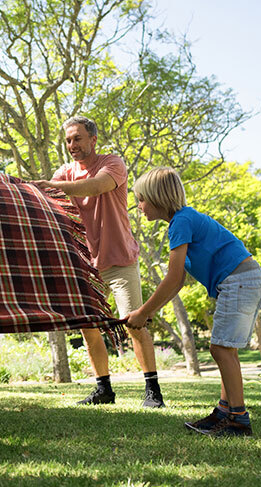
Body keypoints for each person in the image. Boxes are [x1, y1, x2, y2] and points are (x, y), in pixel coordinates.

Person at [35, 116, 164, 407]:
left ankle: (152, 391)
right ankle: (103, 389)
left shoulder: (112, 163)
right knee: (88, 326)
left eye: (77, 138)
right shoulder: (64, 173)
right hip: (84, 264)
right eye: (68, 140)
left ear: (93, 139)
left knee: (134, 323)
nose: (72, 145)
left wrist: (54, 186)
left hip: (118, 260)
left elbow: (96, 186)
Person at [128, 167, 261, 436]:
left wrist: (143, 312)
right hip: (244, 278)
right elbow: (178, 283)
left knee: (221, 349)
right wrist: (150, 310)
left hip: (238, 279)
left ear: (157, 197)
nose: (139, 206)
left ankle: (238, 419)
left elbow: (173, 276)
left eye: (141, 199)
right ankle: (225, 411)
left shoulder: (180, 222)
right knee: (226, 349)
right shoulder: (184, 220)